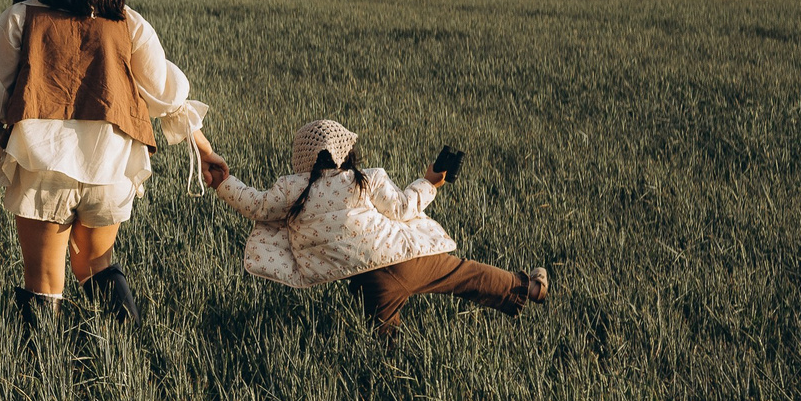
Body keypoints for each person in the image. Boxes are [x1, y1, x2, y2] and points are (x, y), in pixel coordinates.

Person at [0, 0, 222, 327]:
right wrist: (203, 149)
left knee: (44, 281)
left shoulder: (20, 18)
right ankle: (129, 347)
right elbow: (166, 96)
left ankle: (42, 364)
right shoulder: (129, 23)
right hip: (111, 168)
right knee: (97, 264)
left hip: (43, 166)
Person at [202, 118, 550, 337]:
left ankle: (387, 390)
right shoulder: (364, 179)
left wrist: (222, 182)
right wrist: (430, 182)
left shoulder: (292, 189)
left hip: (368, 281)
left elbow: (255, 204)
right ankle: (530, 288)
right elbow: (403, 207)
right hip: (403, 260)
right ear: (347, 153)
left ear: (301, 159)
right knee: (465, 275)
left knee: (384, 340)